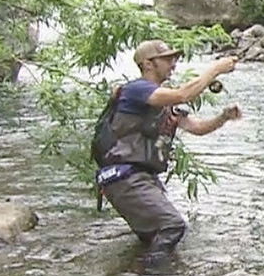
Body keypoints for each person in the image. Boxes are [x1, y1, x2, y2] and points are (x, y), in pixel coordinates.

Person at [95, 40, 240, 262]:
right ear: (148, 64)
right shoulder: (137, 90)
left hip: (139, 179)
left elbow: (198, 128)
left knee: (153, 237)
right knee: (172, 226)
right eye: (167, 59)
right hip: (125, 177)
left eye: (174, 59)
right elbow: (183, 94)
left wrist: (223, 117)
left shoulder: (163, 102)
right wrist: (216, 69)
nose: (173, 63)